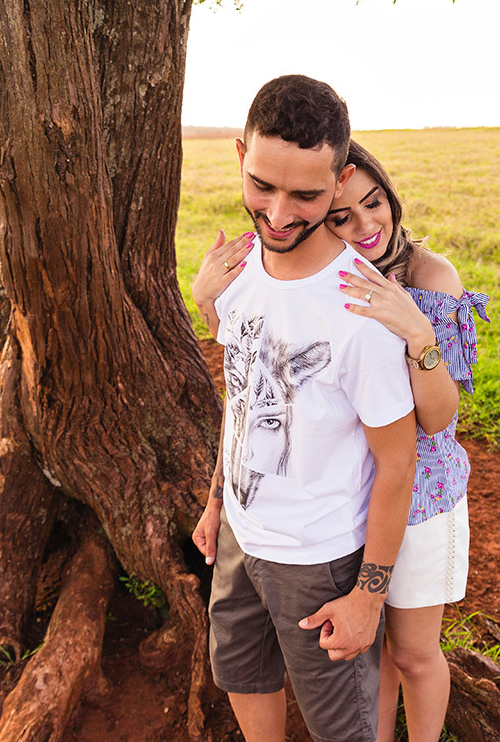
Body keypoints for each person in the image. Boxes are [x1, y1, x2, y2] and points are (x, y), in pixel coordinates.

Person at [194, 139, 490, 742]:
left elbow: (437, 420)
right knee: (372, 659)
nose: (364, 226)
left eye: (374, 205)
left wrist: (414, 330)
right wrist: (208, 302)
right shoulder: (316, 274)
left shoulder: (427, 278)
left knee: (412, 653)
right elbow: (253, 386)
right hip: (357, 494)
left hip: (421, 495)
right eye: (341, 217)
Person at [192, 75, 418, 742]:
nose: (280, 213)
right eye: (263, 185)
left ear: (342, 177)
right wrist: (215, 505)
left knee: (342, 731)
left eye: (308, 195)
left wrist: (368, 597)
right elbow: (242, 395)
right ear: (240, 156)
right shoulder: (237, 274)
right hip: (240, 536)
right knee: (243, 676)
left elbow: (397, 463)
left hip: (321, 562)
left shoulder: (362, 308)